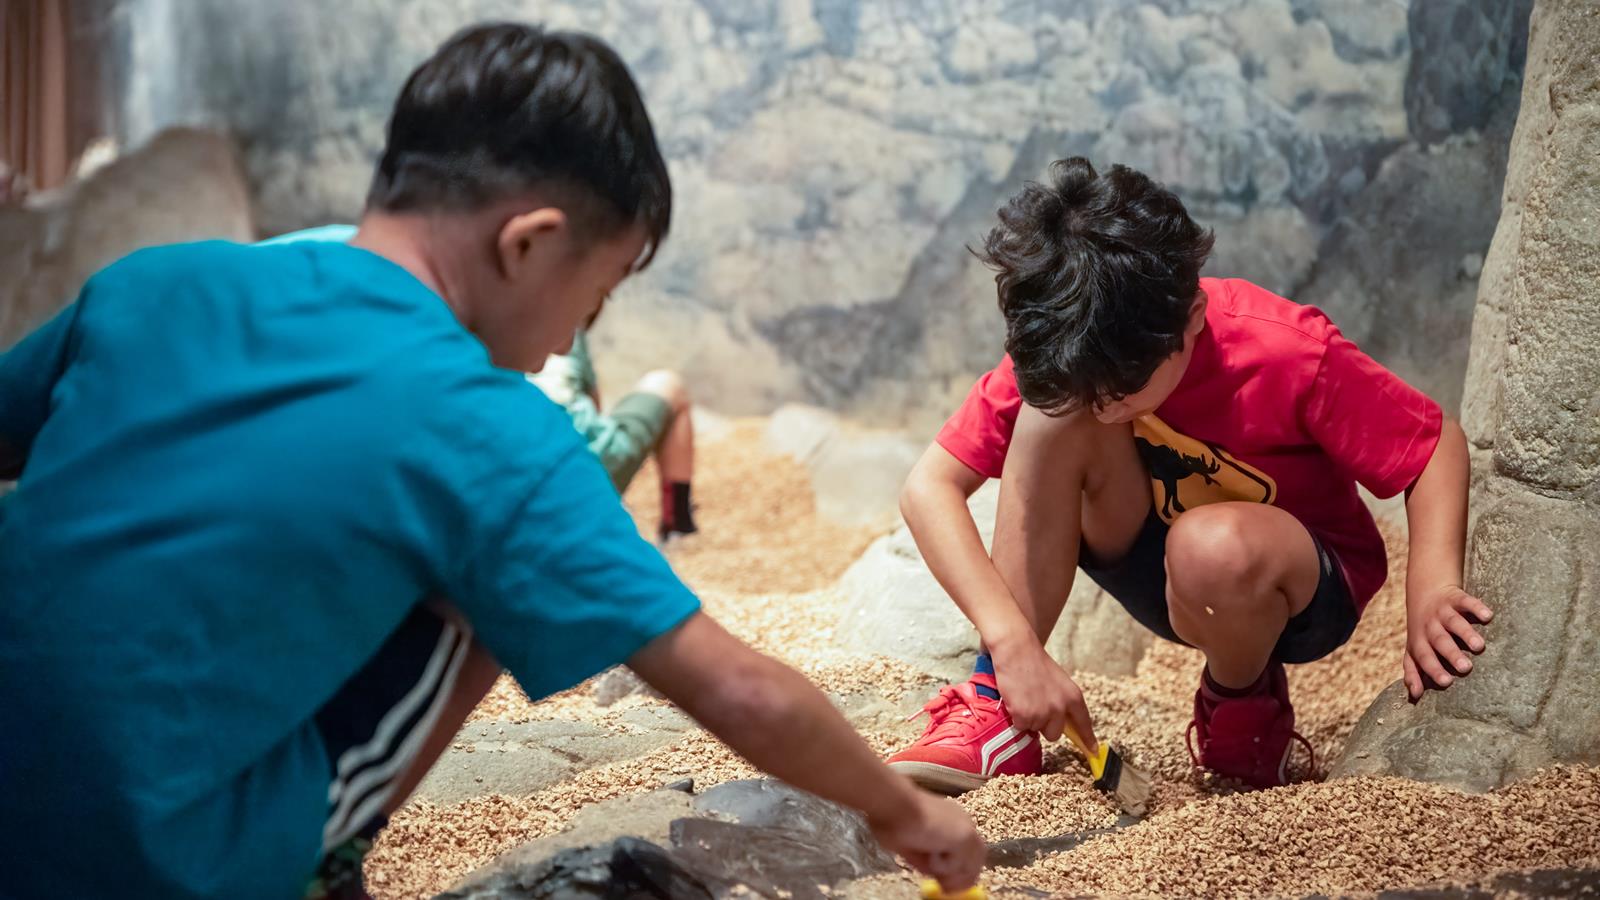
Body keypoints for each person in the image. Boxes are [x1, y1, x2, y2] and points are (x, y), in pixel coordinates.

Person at [0, 24, 983, 899]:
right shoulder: (489, 429)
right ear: (529, 244)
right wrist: (903, 812)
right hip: (167, 865)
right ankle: (318, 867)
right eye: (595, 295)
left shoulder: (156, 284)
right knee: (479, 606)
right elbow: (739, 690)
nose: (571, 336)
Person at [885, 157, 1489, 794]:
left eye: (1122, 393)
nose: (1103, 409)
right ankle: (999, 708)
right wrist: (1013, 647)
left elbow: (1434, 445)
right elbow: (928, 488)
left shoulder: (1283, 348)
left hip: (1294, 584)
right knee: (1048, 418)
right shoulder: (1075, 346)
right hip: (1153, 562)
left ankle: (1243, 702)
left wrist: (1433, 587)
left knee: (1210, 545)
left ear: (1193, 318)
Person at [529, 315, 698, 542]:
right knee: (669, 383)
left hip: (530, 478)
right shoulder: (565, 318)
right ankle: (677, 524)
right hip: (587, 460)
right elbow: (593, 401)